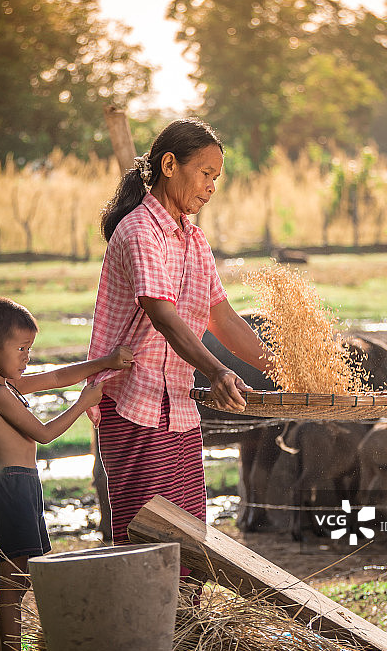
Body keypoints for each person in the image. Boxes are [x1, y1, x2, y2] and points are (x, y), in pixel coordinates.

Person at [87, 118, 274, 550]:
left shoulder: (194, 240)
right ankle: (146, 619)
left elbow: (222, 318)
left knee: (190, 539)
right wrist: (216, 370)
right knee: (147, 541)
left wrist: (283, 369)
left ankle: (186, 619)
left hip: (178, 409)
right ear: (169, 165)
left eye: (216, 178)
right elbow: (163, 315)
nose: (211, 187)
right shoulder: (138, 231)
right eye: (206, 173)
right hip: (134, 406)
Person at [0, 296, 132, 651]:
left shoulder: (6, 384)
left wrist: (105, 362)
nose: (27, 357)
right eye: (22, 349)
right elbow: (43, 434)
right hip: (11, 488)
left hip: (23, 486)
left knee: (18, 577)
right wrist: (82, 403)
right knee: (14, 582)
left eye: (30, 349)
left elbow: (57, 376)